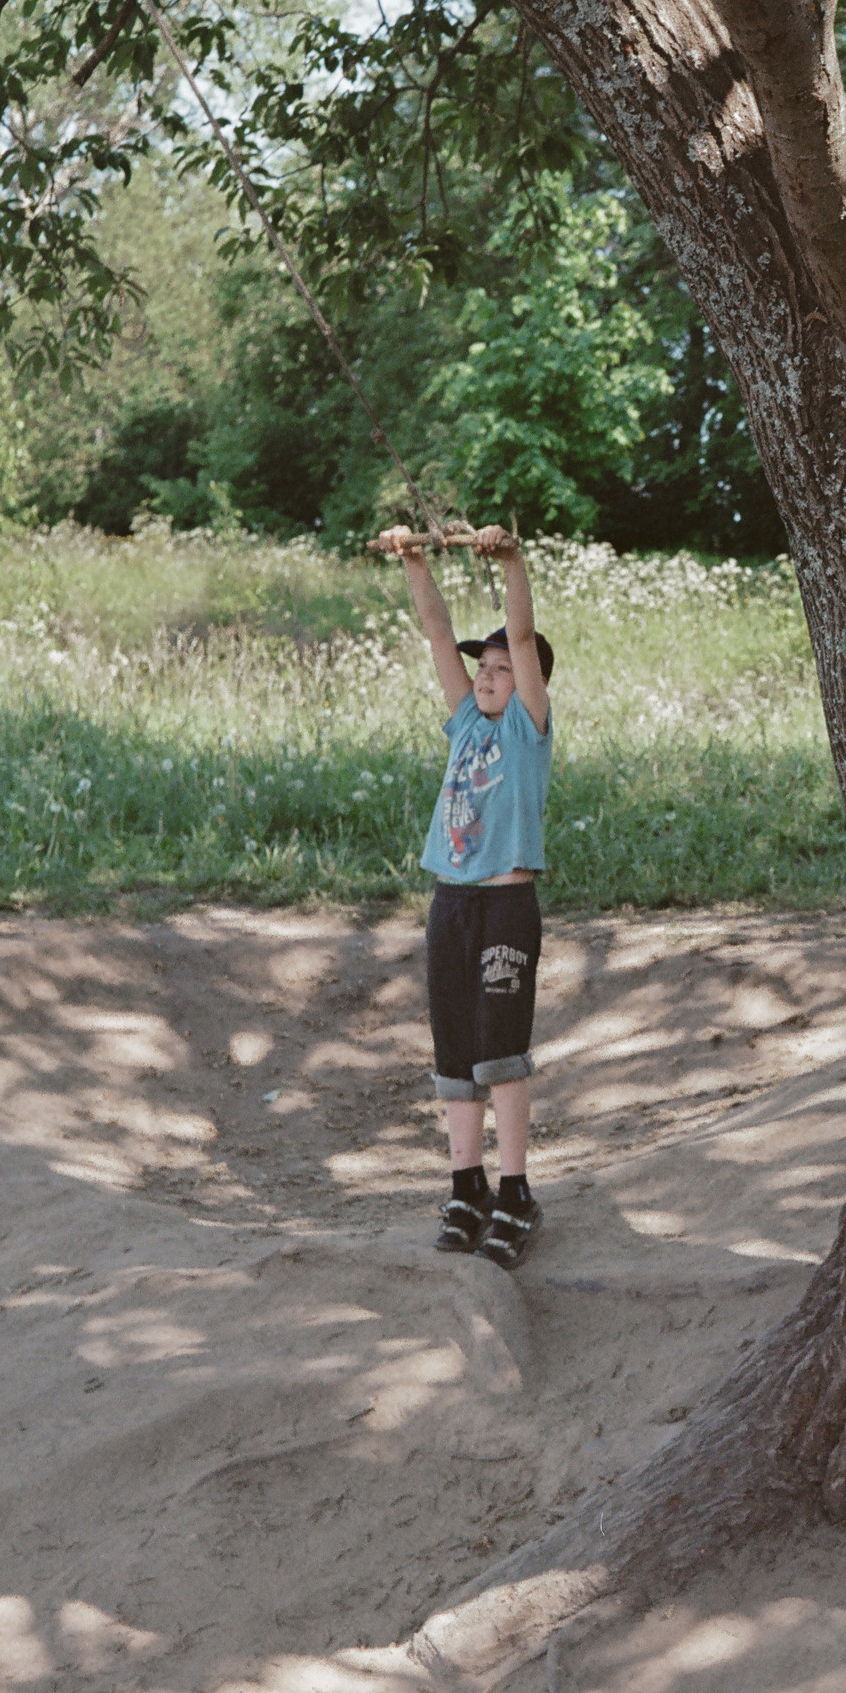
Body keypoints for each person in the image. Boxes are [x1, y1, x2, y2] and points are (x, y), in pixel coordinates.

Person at [375, 524, 554, 1271]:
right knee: (454, 1053)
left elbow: (518, 625)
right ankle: (465, 1184)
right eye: (482, 667)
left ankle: (516, 1193)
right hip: (450, 903)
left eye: (503, 668)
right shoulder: (463, 726)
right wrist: (415, 561)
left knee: (498, 1051)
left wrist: (511, 560)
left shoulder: (525, 730)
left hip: (505, 906)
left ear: (529, 684)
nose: (486, 675)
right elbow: (436, 631)